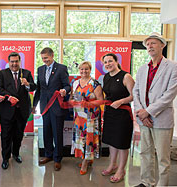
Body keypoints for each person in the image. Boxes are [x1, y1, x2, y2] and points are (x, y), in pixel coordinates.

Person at [133, 32, 177, 187]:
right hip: (144, 120)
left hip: (162, 119)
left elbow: (169, 94)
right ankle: (146, 182)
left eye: (153, 43)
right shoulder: (142, 69)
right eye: (148, 44)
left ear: (162, 45)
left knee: (163, 159)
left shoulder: (173, 67)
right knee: (145, 153)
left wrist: (148, 112)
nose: (150, 46)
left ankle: (162, 184)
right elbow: (136, 92)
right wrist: (142, 113)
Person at [0, 52, 36, 170]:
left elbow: (34, 86)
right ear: (9, 62)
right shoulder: (2, 73)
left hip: (22, 111)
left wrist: (27, 84)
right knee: (6, 135)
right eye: (12, 61)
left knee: (18, 135)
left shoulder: (26, 73)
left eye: (16, 61)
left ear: (20, 61)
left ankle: (16, 154)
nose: (14, 64)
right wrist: (8, 97)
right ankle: (5, 158)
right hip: (7, 110)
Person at [33, 47, 71, 171]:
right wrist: (35, 105)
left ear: (52, 55)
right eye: (43, 58)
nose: (44, 61)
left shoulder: (61, 68)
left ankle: (57, 158)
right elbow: (39, 89)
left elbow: (67, 85)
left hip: (57, 106)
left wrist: (64, 91)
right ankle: (48, 155)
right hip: (45, 106)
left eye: (46, 58)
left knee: (57, 133)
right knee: (46, 132)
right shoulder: (40, 69)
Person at [101, 53, 135, 183]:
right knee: (111, 140)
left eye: (110, 61)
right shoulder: (106, 77)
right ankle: (112, 165)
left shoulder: (126, 76)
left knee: (121, 143)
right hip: (110, 112)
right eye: (105, 62)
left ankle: (121, 169)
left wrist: (120, 101)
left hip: (122, 114)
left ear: (116, 62)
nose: (108, 64)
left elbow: (134, 96)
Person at [70, 61, 103, 175]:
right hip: (79, 116)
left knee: (89, 139)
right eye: (82, 69)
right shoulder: (75, 83)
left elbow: (100, 100)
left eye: (86, 69)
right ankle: (87, 158)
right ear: (79, 70)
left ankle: (85, 162)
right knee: (80, 138)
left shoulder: (95, 83)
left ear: (90, 70)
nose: (84, 71)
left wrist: (89, 104)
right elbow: (72, 98)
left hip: (90, 116)